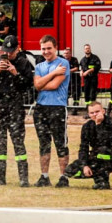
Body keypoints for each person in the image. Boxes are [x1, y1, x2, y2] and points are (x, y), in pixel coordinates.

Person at [0, 35, 32, 186]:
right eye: (6, 51)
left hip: (15, 107)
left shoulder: (23, 62)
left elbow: (28, 86)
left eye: (11, 51)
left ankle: (23, 178)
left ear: (18, 49)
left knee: (18, 142)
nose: (8, 54)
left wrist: (15, 74)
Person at [33, 35, 72, 187]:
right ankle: (44, 176)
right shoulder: (39, 66)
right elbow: (37, 86)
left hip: (57, 107)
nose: (46, 51)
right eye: (43, 49)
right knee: (44, 143)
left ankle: (63, 176)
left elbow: (53, 85)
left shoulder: (63, 63)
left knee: (60, 142)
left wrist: (44, 81)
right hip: (41, 107)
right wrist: (52, 73)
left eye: (49, 48)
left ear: (56, 48)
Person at [64, 101, 112, 189]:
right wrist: (84, 165)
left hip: (109, 157)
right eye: (92, 113)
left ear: (103, 111)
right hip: (94, 157)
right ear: (88, 114)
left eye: (97, 112)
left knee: (103, 151)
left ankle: (102, 180)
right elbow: (83, 147)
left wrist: (99, 125)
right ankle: (98, 177)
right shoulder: (87, 126)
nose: (95, 114)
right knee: (70, 170)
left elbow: (104, 142)